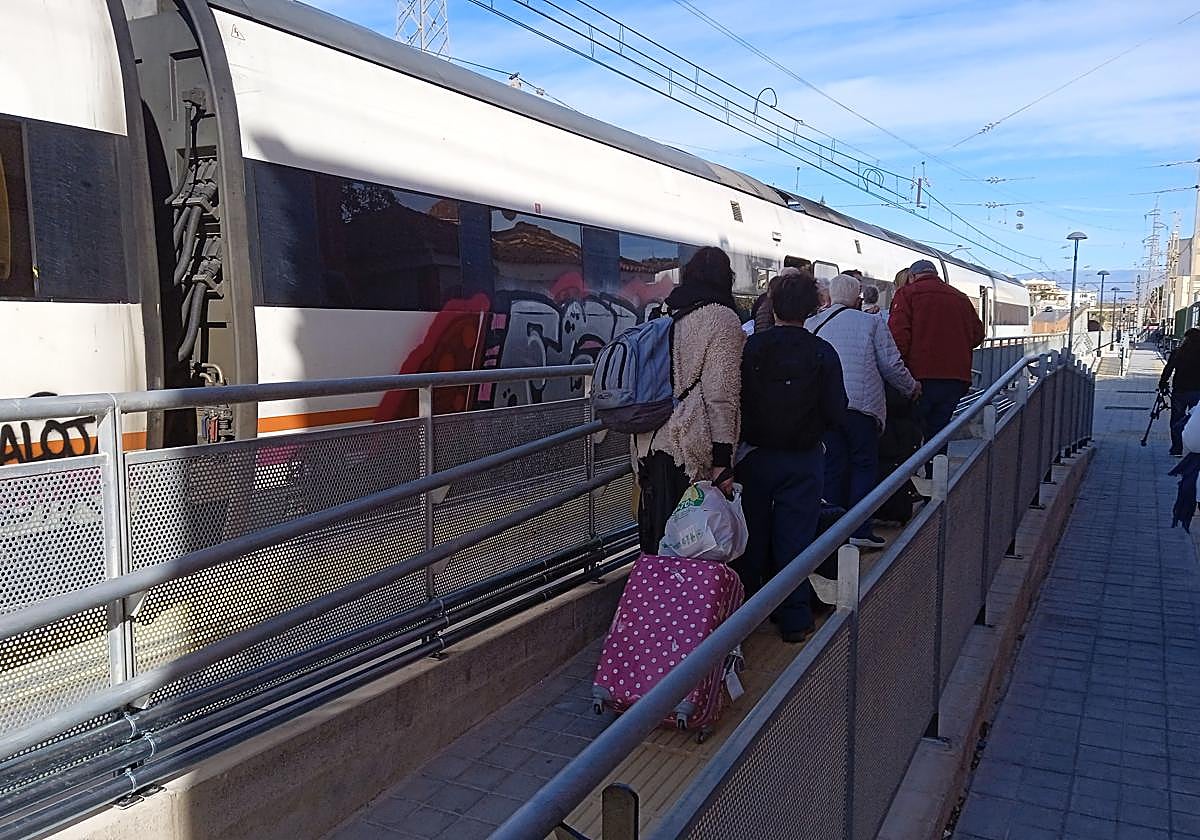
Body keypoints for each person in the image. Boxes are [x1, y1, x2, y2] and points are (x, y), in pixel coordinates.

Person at [737, 271, 847, 643]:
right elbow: (836, 410)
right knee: (795, 539)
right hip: (803, 459)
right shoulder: (822, 352)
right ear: (812, 309)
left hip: (753, 458)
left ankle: (744, 615)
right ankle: (794, 618)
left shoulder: (752, 347)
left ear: (773, 306)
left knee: (752, 535)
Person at [634, 246, 744, 553]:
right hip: (689, 449)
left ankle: (654, 597)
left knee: (659, 538)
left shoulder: (662, 311)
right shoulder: (721, 318)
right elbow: (722, 396)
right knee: (693, 545)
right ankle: (688, 600)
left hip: (651, 440)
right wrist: (723, 461)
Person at [807, 274, 919, 549]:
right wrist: (911, 388)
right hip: (862, 407)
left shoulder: (813, 323)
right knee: (863, 466)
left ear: (831, 296)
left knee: (832, 467)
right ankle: (860, 528)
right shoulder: (871, 322)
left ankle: (831, 532)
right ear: (858, 297)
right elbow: (891, 364)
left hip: (828, 407)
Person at [888, 259, 984, 477]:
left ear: (912, 276)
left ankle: (907, 484)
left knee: (911, 431)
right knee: (939, 431)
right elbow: (977, 335)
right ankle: (935, 478)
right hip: (955, 378)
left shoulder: (907, 294)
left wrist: (897, 370)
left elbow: (898, 338)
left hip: (920, 377)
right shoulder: (960, 298)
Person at [1160, 328, 1200, 457]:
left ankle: (1177, 447)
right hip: (1197, 392)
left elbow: (1169, 369)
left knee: (1176, 419)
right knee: (1195, 419)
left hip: (1180, 391)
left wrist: (1163, 383)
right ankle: (1193, 446)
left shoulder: (1178, 352)